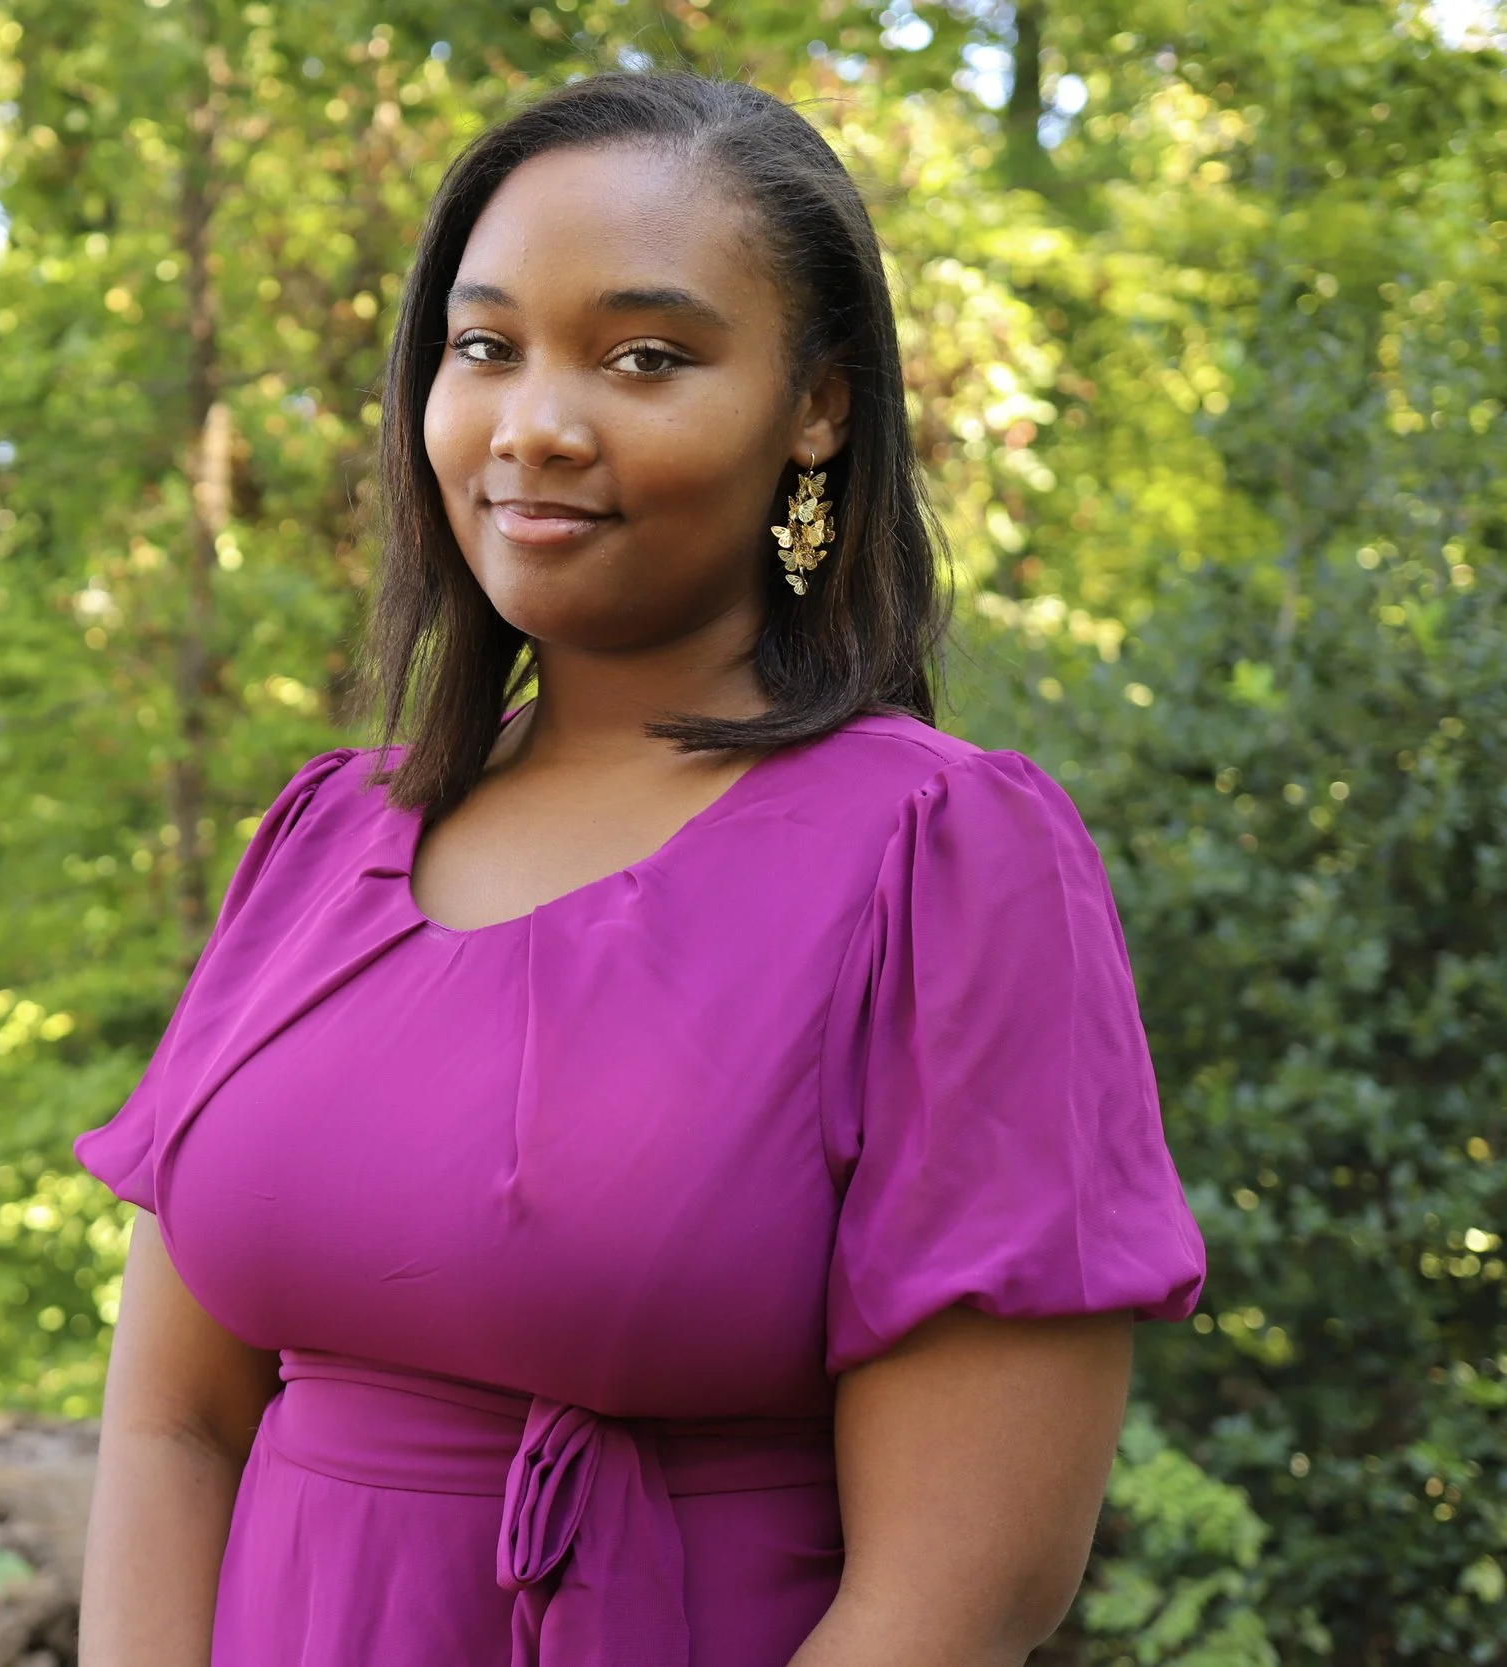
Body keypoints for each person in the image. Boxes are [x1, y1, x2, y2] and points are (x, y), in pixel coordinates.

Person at [69, 70, 1205, 1667]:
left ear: (817, 408)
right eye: (485, 347)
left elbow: (962, 1593)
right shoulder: (320, 842)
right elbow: (173, 1427)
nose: (534, 423)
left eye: (646, 357)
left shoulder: (942, 860)